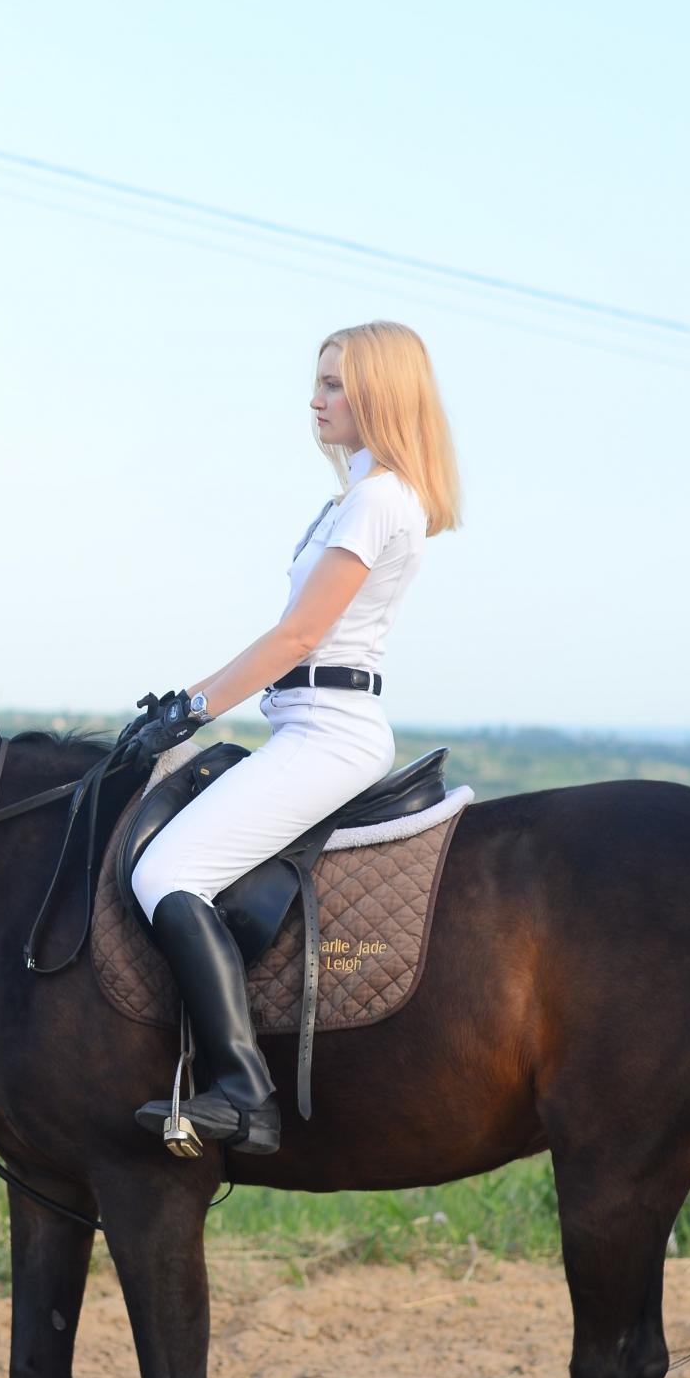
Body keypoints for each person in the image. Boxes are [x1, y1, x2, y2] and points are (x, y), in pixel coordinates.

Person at [120, 319, 461, 1156]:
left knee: (166, 869)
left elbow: (297, 637)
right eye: (319, 380)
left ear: (379, 393)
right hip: (301, 722)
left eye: (336, 383)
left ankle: (243, 1090)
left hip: (331, 731)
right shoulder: (351, 493)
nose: (316, 397)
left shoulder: (380, 496)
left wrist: (190, 708)